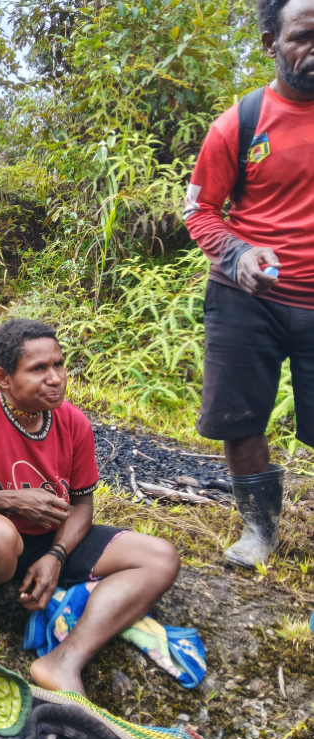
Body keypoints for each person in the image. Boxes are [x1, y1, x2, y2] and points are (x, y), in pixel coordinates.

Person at [0, 319, 181, 696]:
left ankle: (64, 661)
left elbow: (81, 503)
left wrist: (56, 555)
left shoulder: (73, 422)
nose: (56, 378)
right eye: (38, 369)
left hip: (45, 539)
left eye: (58, 364)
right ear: (3, 378)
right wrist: (11, 499)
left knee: (160, 558)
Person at [183, 0, 314, 568]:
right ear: (270, 43)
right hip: (245, 299)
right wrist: (237, 252)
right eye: (304, 35)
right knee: (240, 418)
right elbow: (199, 210)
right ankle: (259, 528)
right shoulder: (239, 123)